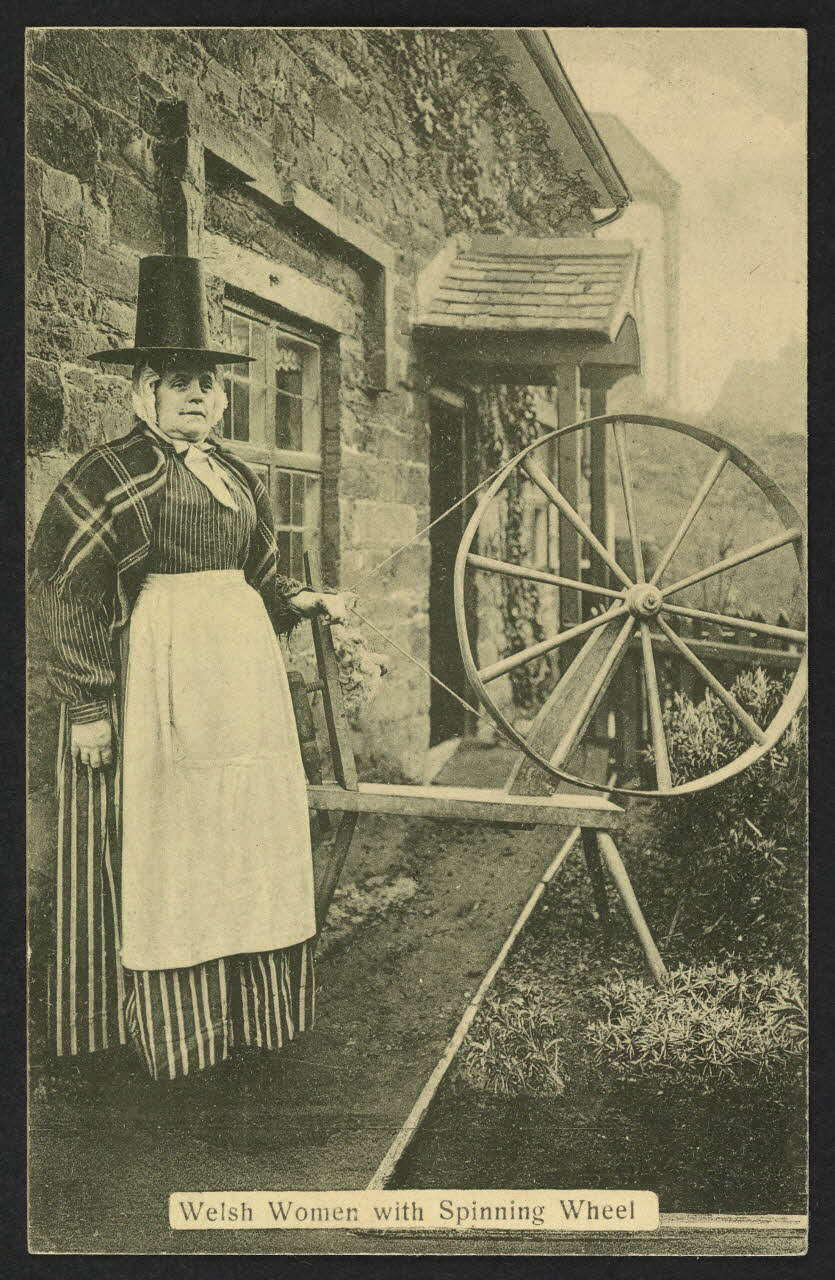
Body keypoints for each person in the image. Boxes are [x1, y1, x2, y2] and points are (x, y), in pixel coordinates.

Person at [30, 255, 345, 1088]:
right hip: (161, 679)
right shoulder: (110, 473)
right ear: (144, 392)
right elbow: (65, 590)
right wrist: (90, 705)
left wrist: (304, 602)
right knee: (176, 844)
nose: (198, 397)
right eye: (179, 382)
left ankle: (252, 1022)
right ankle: (177, 1035)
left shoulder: (234, 473)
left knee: (244, 834)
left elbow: (260, 574)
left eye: (208, 383)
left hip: (243, 685)